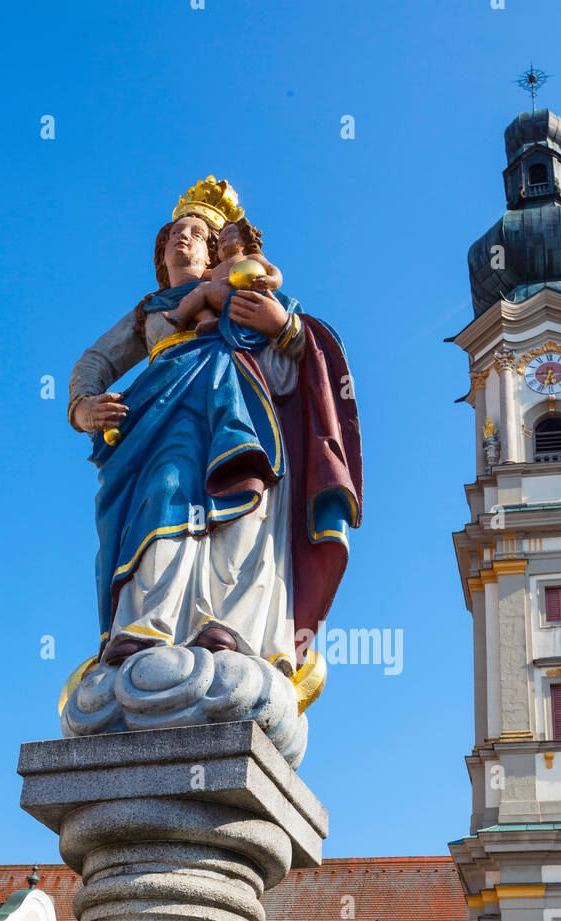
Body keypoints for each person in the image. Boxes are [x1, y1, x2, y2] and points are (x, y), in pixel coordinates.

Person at [68, 178, 362, 675]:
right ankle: (144, 626)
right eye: (173, 235)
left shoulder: (241, 290)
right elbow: (96, 360)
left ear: (214, 252)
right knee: (164, 493)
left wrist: (284, 327)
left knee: (244, 495)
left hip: (240, 408)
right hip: (164, 415)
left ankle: (228, 624)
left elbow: (299, 348)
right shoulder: (150, 311)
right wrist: (82, 407)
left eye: (196, 233)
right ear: (161, 257)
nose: (182, 239)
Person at [164, 217, 282, 337]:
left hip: (241, 296)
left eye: (229, 233)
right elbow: (192, 276)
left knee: (202, 289)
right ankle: (208, 319)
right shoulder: (216, 270)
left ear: (245, 240)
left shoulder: (252, 258)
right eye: (220, 240)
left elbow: (274, 271)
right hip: (220, 298)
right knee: (192, 295)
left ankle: (179, 316)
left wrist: (271, 281)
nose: (223, 239)